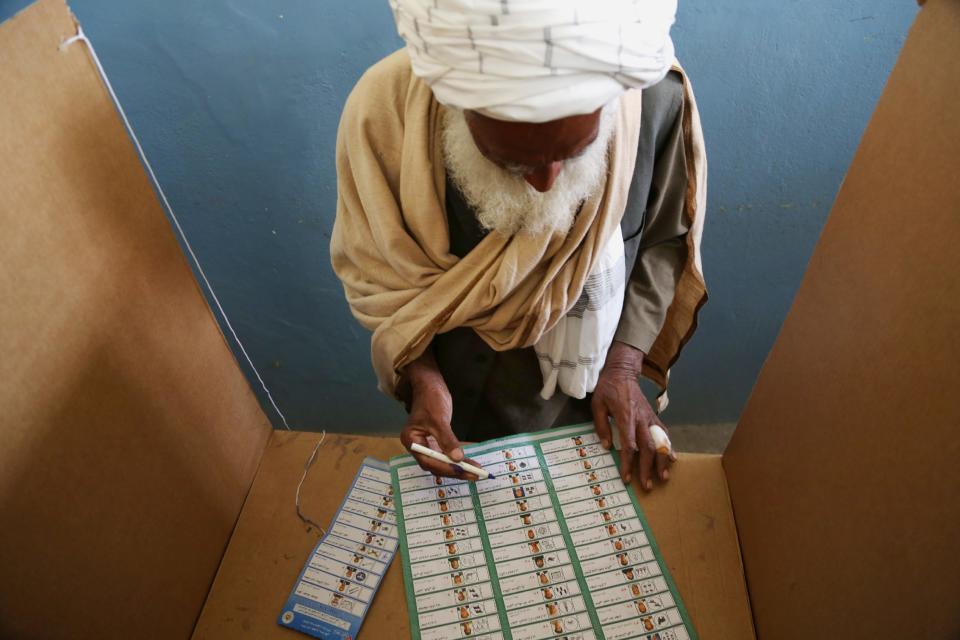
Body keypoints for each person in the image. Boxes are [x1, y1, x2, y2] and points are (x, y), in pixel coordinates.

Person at [331, 0, 707, 491]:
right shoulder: (385, 115)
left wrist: (623, 366)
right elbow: (374, 270)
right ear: (457, 109)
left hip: (592, 394)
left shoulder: (654, 100)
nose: (547, 184)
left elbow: (661, 240)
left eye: (573, 153)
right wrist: (424, 381)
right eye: (511, 161)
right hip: (456, 390)